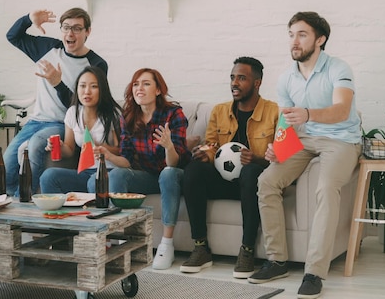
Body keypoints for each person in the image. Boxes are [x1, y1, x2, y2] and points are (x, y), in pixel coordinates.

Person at [250, 12, 362, 299]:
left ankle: (314, 272)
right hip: (302, 139)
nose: (294, 41)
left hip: (340, 140)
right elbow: (287, 121)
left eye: (302, 34)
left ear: (320, 39)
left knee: (326, 188)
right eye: (291, 35)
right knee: (267, 182)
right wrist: (279, 146)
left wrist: (309, 114)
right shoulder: (287, 77)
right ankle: (277, 260)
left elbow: (342, 110)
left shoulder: (338, 68)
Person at [179, 57, 279, 278]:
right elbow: (212, 143)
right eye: (233, 77)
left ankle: (247, 251)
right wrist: (205, 154)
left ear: (257, 83)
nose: (235, 83)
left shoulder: (273, 112)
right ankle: (200, 247)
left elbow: (279, 159)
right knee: (194, 169)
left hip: (253, 183)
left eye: (242, 78)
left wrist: (256, 160)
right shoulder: (220, 111)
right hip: (224, 182)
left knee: (251, 171)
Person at [88, 68, 191, 270]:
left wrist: (169, 146)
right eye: (136, 84)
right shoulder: (128, 117)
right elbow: (126, 160)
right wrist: (109, 156)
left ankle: (166, 244)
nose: (139, 88)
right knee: (116, 174)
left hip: (174, 173)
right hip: (146, 175)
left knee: (168, 174)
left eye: (146, 83)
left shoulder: (173, 114)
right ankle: (116, 238)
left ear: (158, 90)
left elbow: (174, 163)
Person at [5, 8, 107, 197]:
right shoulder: (49, 49)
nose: (70, 33)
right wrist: (28, 19)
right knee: (7, 162)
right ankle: (9, 203)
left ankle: (24, 201)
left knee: (35, 146)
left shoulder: (96, 64)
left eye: (77, 28)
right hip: (36, 120)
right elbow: (13, 36)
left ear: (87, 32)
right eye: (66, 27)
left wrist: (58, 84)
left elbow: (86, 107)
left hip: (63, 124)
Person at [40, 67, 122, 193]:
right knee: (49, 177)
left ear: (102, 90)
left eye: (94, 86)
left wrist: (99, 147)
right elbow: (70, 150)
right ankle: (56, 213)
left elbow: (122, 151)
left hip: (109, 171)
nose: (87, 92)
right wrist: (59, 147)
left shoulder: (113, 114)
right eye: (82, 86)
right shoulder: (73, 113)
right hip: (85, 172)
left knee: (93, 182)